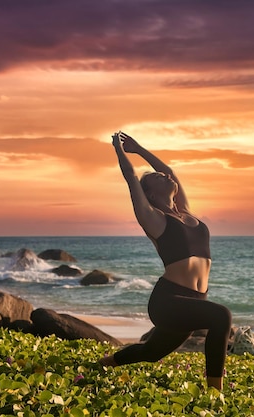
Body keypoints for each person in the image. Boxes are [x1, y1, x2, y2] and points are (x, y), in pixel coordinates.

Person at [99, 131, 232, 391]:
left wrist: (140, 149)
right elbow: (131, 178)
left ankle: (105, 362)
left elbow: (168, 169)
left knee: (151, 352)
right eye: (157, 178)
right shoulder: (153, 219)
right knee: (221, 316)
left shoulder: (185, 213)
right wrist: (120, 150)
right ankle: (215, 393)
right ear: (149, 194)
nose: (165, 175)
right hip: (168, 301)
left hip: (194, 300)